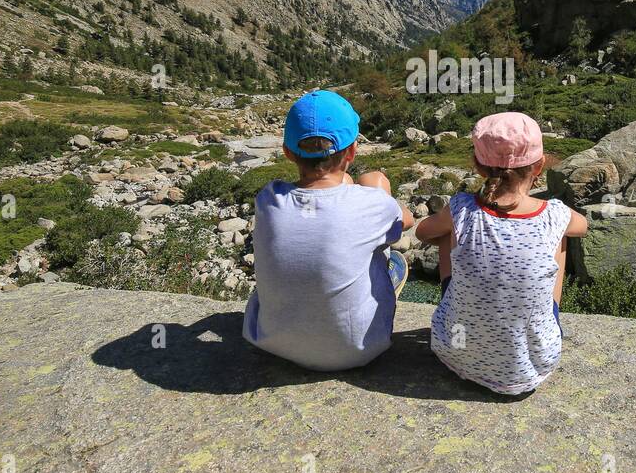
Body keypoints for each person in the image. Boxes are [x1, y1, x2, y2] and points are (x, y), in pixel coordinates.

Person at [415, 111, 588, 394]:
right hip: (530, 366)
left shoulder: (461, 207)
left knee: (448, 232)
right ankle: (546, 320)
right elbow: (583, 227)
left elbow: (423, 233)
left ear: (478, 166)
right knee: (562, 237)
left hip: (456, 353)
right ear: (539, 165)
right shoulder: (553, 213)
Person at [243, 90, 413, 371]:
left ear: (287, 152)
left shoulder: (268, 198)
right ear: (352, 151)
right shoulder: (371, 203)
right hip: (359, 351)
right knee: (394, 260)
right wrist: (378, 189)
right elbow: (404, 221)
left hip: (272, 343)